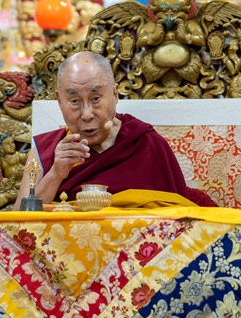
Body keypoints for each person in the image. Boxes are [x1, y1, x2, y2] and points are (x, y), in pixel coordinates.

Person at [12, 51, 216, 210]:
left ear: (115, 94)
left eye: (96, 99)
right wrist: (56, 174)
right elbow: (15, 226)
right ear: (59, 100)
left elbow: (178, 220)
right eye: (74, 101)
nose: (86, 114)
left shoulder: (147, 144)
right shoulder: (45, 151)